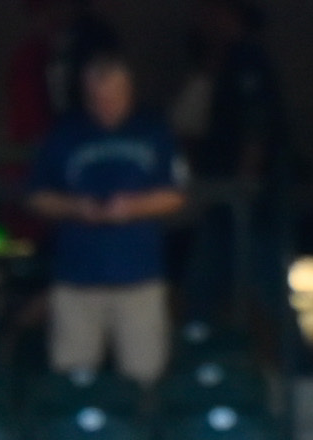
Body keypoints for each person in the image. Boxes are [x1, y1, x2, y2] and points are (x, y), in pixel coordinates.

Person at [26, 52, 191, 386]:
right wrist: (76, 208)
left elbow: (175, 195)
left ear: (128, 91)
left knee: (144, 376)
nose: (106, 106)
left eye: (113, 97)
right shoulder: (67, 134)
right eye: (97, 99)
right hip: (77, 277)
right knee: (72, 378)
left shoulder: (153, 132)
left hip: (138, 277)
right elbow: (37, 196)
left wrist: (132, 207)